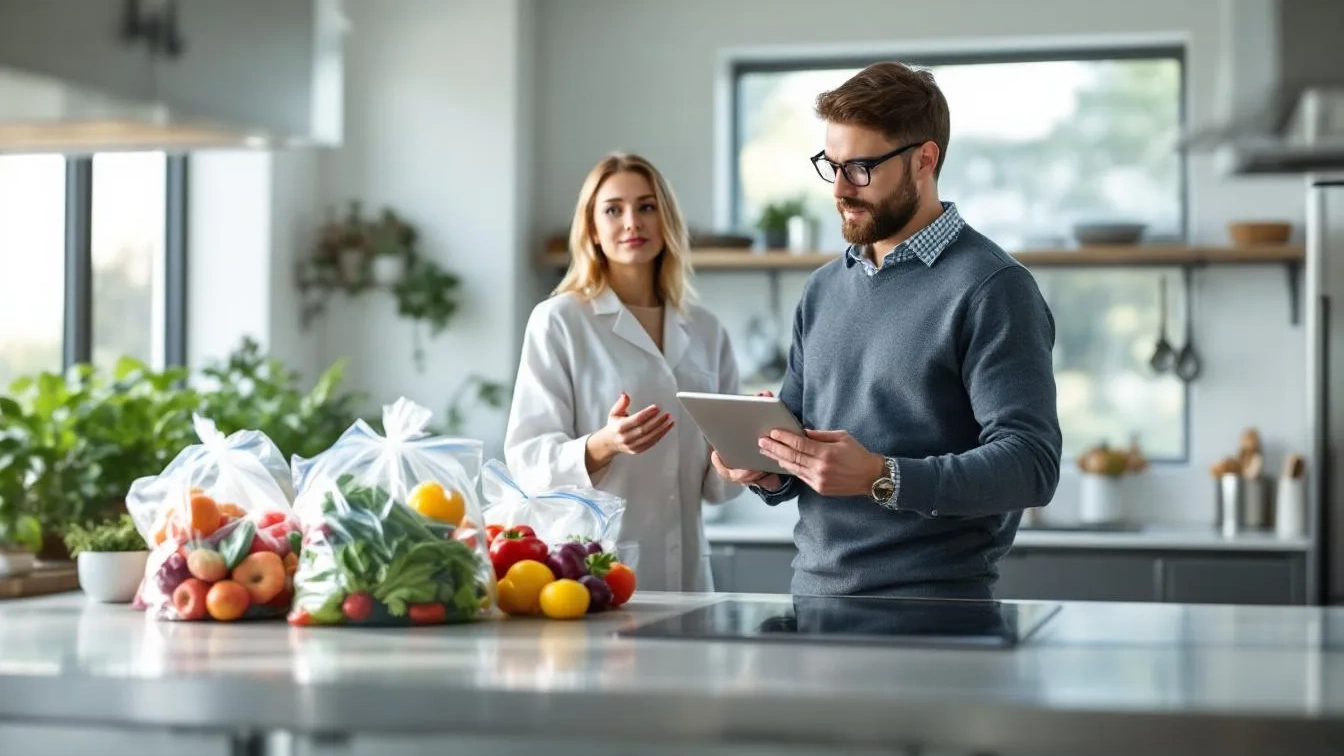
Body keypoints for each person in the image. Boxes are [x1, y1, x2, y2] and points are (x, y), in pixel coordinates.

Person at [713, 61, 1062, 600]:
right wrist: (769, 467)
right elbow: (809, 458)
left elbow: (1030, 465)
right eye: (832, 166)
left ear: (925, 159)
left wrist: (882, 474)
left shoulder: (993, 287)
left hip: (935, 612)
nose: (840, 190)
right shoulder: (824, 289)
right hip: (815, 600)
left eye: (861, 168)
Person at [505, 151, 742, 592]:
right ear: (592, 229)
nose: (632, 222)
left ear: (667, 221)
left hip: (689, 572)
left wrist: (742, 455)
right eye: (613, 209)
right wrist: (601, 445)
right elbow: (527, 459)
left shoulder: (707, 330)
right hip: (594, 568)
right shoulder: (559, 321)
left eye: (647, 207)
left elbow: (718, 489)